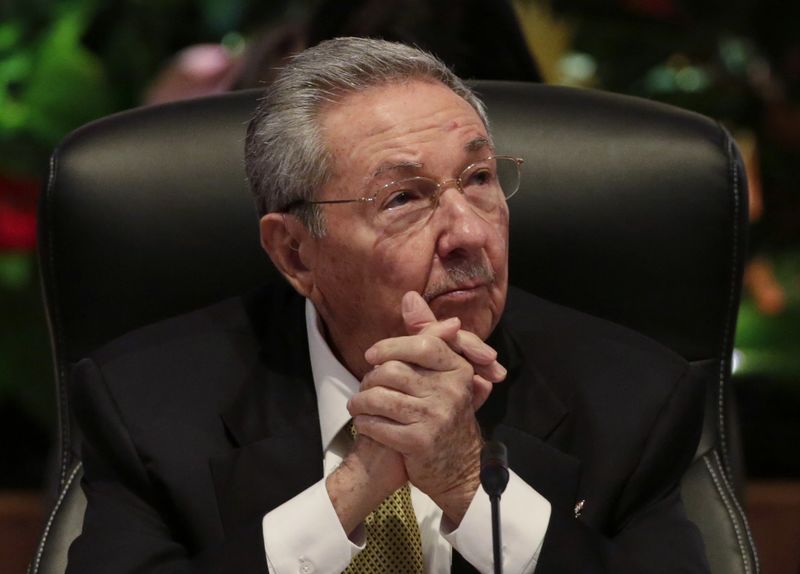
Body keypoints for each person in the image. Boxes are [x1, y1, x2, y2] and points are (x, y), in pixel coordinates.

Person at [66, 38, 709, 573]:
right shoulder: (148, 404)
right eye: (403, 198)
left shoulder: (632, 398)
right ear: (294, 253)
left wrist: (462, 480)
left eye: (480, 180)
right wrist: (353, 487)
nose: (469, 233)